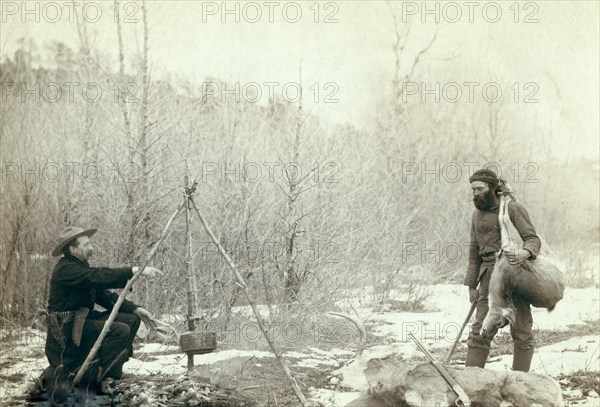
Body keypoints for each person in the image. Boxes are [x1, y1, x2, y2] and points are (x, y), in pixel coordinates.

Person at [44, 226, 162, 390]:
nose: (90, 248)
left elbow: (103, 295)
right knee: (119, 330)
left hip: (83, 321)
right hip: (67, 329)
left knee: (131, 319)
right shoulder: (66, 269)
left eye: (90, 243)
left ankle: (113, 372)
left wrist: (135, 309)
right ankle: (97, 375)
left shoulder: (81, 266)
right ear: (72, 249)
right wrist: (133, 270)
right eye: (85, 245)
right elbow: (97, 277)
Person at [464, 169, 541, 372]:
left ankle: (520, 382)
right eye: (473, 190)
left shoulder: (512, 209)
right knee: (479, 330)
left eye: (480, 189)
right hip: (487, 280)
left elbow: (533, 239)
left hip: (513, 276)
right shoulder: (477, 215)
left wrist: (526, 253)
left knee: (521, 330)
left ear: (492, 188)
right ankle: (472, 382)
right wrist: (471, 284)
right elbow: (474, 252)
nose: (475, 194)